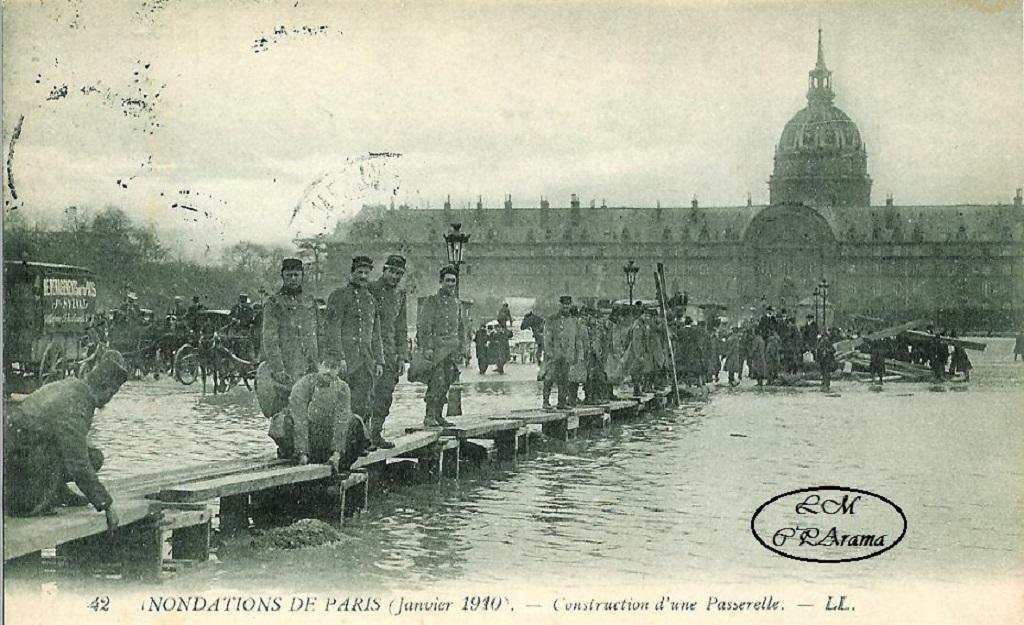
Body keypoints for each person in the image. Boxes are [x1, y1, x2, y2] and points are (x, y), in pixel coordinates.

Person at [3, 350, 129, 532]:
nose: (110, 399)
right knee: (78, 456)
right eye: (113, 392)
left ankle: (57, 492)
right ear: (106, 388)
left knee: (93, 456)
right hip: (20, 464)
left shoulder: (73, 386)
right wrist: (106, 504)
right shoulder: (77, 404)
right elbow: (77, 463)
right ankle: (36, 500)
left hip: (22, 452)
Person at [269, 365, 372, 472]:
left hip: (325, 438)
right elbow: (300, 419)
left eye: (333, 367)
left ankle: (340, 465)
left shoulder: (342, 388)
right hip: (306, 436)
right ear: (318, 365)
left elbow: (341, 421)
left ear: (338, 369)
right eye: (326, 365)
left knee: (356, 422)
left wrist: (337, 453)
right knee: (281, 421)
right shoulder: (304, 384)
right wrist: (302, 452)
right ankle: (292, 454)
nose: (328, 371)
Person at [324, 256, 385, 428]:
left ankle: (360, 439)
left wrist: (379, 361)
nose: (363, 276)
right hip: (345, 360)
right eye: (360, 272)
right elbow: (332, 329)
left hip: (365, 360)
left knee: (364, 401)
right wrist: (339, 356)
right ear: (352, 273)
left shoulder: (371, 300)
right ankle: (339, 442)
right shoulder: (339, 296)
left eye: (367, 273)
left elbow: (375, 333)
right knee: (341, 401)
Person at [257, 258, 320, 422]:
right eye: (289, 275)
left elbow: (319, 332)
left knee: (311, 409)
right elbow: (270, 338)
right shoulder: (274, 303)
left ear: (302, 276)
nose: (293, 279)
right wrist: (278, 368)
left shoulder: (309, 301)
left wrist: (320, 361)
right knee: (286, 412)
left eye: (297, 275)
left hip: (310, 364)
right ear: (283, 276)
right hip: (287, 365)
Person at [414, 266, 465, 427]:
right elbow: (424, 325)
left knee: (447, 382)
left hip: (452, 350)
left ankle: (439, 415)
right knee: (437, 381)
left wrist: (462, 348)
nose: (451, 284)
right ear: (441, 282)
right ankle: (429, 416)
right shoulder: (432, 301)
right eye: (448, 280)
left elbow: (461, 327)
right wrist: (428, 347)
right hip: (437, 350)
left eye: (453, 281)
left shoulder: (457, 304)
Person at [367, 254, 408, 450]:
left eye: (399, 273)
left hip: (390, 352)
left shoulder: (400, 295)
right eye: (391, 271)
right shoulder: (371, 290)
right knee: (367, 394)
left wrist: (402, 355)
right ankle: (362, 435)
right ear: (384, 270)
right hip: (371, 351)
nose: (395, 276)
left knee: (385, 395)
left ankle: (376, 433)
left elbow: (401, 327)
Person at [543, 295, 578, 409]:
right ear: (560, 305)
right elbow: (547, 337)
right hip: (554, 354)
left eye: (568, 304)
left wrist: (573, 354)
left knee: (564, 379)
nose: (566, 307)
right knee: (549, 378)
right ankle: (546, 402)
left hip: (566, 355)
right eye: (564, 304)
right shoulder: (552, 319)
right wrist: (549, 352)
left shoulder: (572, 320)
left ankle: (561, 403)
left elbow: (574, 338)